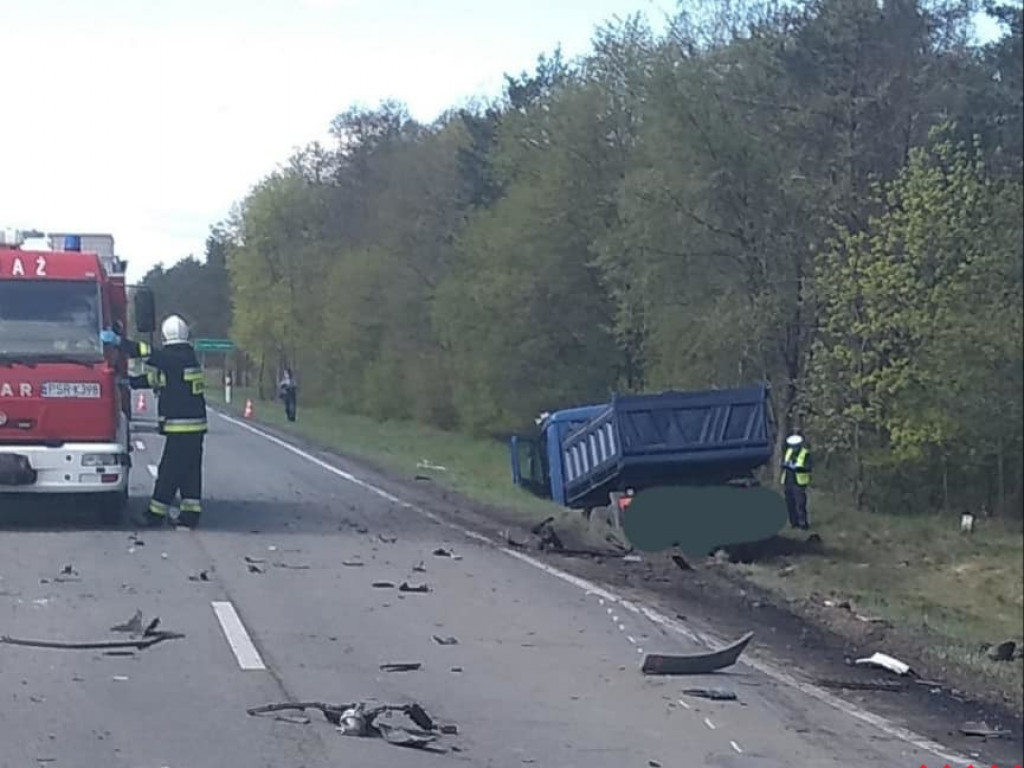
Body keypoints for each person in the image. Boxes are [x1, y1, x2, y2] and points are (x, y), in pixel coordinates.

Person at [103, 315, 208, 528]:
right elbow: (158, 380)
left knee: (169, 471)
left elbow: (146, 352)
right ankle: (190, 514)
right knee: (190, 471)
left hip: (181, 426)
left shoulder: (173, 356)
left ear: (165, 336)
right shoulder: (187, 358)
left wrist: (119, 343)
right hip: (195, 427)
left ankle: (155, 515)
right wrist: (129, 382)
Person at [780, 433, 812, 530]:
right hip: (788, 481)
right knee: (790, 503)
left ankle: (803, 524)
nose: (793, 448)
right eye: (792, 446)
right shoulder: (788, 452)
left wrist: (799, 467)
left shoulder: (805, 453)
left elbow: (809, 467)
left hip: (799, 483)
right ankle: (793, 523)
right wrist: (786, 464)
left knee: (800, 503)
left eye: (795, 446)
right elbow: (783, 463)